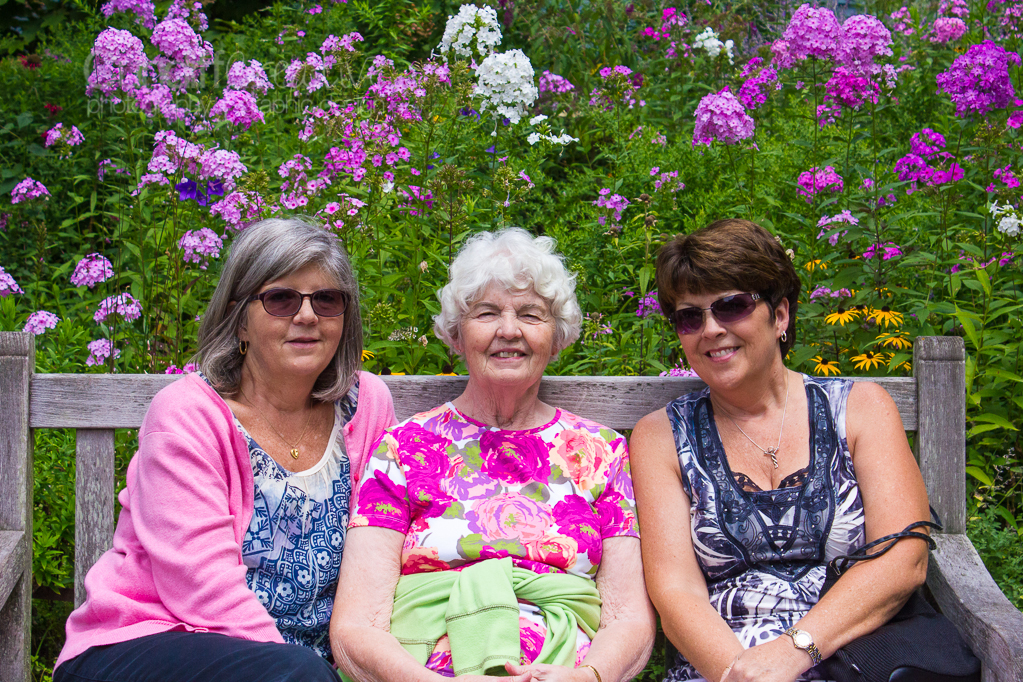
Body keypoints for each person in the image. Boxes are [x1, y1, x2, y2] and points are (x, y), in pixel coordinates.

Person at [54, 218, 397, 682]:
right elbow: (203, 589)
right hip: (148, 642)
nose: (307, 316)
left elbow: (384, 546)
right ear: (240, 318)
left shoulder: (366, 405)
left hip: (293, 669)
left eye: (327, 299)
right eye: (281, 299)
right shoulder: (186, 415)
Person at [331, 227, 656, 682]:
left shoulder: (602, 451)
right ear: (456, 335)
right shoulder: (402, 447)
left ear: (557, 336)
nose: (509, 330)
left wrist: (589, 678)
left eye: (530, 315)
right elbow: (355, 625)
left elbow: (629, 619)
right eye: (486, 313)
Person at [630, 219, 932, 682]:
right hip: (723, 666)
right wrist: (742, 674)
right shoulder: (662, 436)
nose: (710, 329)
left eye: (731, 307)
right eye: (690, 317)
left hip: (857, 657)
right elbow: (676, 592)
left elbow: (902, 557)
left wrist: (795, 652)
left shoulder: (860, 408)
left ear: (781, 315)